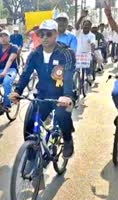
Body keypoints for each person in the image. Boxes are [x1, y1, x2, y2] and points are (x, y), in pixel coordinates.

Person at [10, 20, 75, 161]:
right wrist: (17, 91)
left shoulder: (66, 53)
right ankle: (32, 152)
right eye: (41, 34)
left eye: (48, 34)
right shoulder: (35, 54)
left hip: (62, 95)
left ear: (56, 34)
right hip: (43, 95)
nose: (44, 37)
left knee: (61, 114)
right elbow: (26, 74)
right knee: (29, 122)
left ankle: (68, 139)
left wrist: (68, 96)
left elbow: (69, 76)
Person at [75, 10, 96, 82]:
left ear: (90, 27)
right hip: (78, 54)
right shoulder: (79, 33)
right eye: (85, 25)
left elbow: (93, 44)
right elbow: (77, 25)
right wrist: (81, 17)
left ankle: (89, 75)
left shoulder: (92, 35)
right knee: (76, 70)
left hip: (87, 54)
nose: (86, 26)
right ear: (83, 25)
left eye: (88, 25)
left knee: (90, 60)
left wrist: (92, 52)